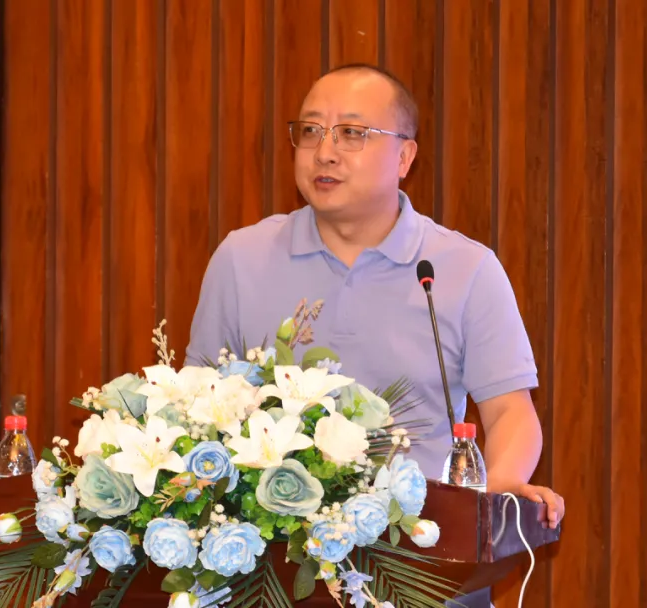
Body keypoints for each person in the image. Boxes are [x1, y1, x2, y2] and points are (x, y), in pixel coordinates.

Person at [185, 63, 564, 607]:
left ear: (405, 157)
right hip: (271, 572)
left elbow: (510, 414)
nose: (325, 152)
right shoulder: (242, 259)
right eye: (311, 130)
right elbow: (197, 407)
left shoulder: (464, 268)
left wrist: (496, 497)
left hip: (423, 570)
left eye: (352, 133)